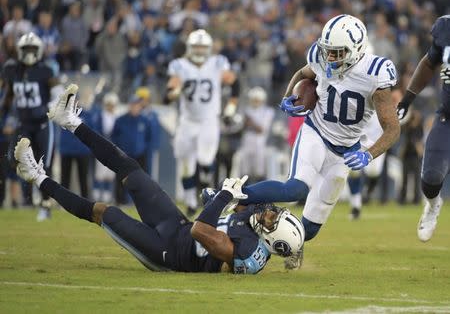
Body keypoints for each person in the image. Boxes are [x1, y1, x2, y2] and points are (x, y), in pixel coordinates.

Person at [14, 84, 305, 274]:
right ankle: (71, 122)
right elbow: (238, 208)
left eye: (271, 220)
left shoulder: (250, 254)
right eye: (273, 213)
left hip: (167, 253)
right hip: (176, 224)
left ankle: (37, 177)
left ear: (271, 241)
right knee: (132, 171)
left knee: (104, 212)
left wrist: (223, 197)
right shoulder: (257, 222)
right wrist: (226, 195)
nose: (269, 213)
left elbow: (201, 232)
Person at [236, 14, 400, 269]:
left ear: (356, 50)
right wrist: (289, 96)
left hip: (345, 151)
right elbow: (302, 73)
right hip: (316, 132)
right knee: (295, 190)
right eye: (328, 51)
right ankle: (232, 196)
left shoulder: (375, 74)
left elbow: (392, 129)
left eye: (338, 52)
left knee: (309, 228)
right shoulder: (321, 58)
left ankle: (273, 240)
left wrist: (369, 154)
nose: (330, 58)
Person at [165, 29, 239, 216]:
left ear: (208, 48)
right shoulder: (179, 65)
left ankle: (207, 195)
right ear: (189, 47)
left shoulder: (217, 63)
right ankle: (190, 202)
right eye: (196, 47)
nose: (199, 51)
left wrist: (230, 108)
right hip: (187, 121)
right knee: (186, 164)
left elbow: (234, 83)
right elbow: (171, 88)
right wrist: (173, 92)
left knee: (205, 160)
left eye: (202, 47)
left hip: (208, 120)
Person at [396, 15, 450, 242]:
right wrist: (407, 99)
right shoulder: (446, 28)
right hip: (448, 118)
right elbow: (429, 62)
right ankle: (432, 204)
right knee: (430, 179)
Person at [1, 32, 64, 221]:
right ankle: (29, 196)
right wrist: (4, 114)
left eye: (32, 49)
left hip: (43, 124)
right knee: (14, 158)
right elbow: (9, 96)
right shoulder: (13, 70)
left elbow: (58, 95)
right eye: (25, 49)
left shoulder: (46, 70)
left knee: (46, 165)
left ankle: (45, 205)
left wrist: (49, 108)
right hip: (23, 124)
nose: (29, 53)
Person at [239, 87, 274, 183]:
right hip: (247, 140)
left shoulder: (268, 111)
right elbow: (241, 126)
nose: (255, 102)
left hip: (260, 142)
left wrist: (250, 122)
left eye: (257, 99)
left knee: (259, 170)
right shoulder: (246, 110)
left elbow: (262, 129)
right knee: (245, 170)